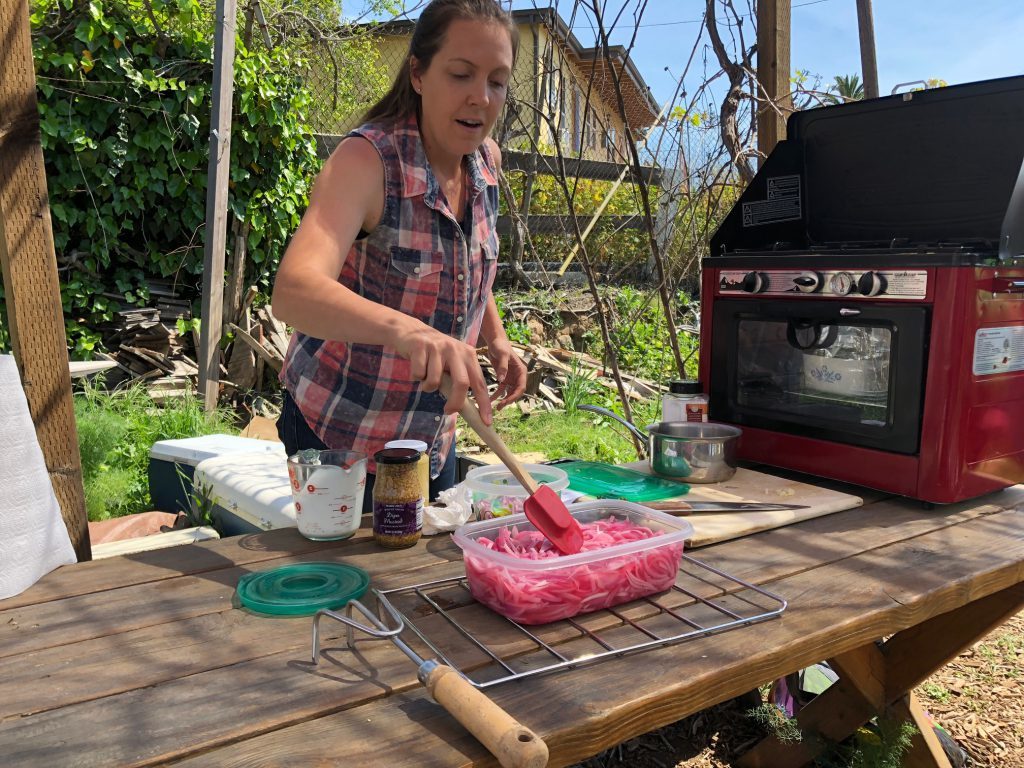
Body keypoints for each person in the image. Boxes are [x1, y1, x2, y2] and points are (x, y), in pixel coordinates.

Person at [271, 0, 527, 506]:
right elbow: (293, 290)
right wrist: (410, 332)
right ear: (418, 73)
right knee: (360, 583)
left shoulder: (486, 162)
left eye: (497, 81)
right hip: (342, 437)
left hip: (432, 435)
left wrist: (495, 338)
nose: (481, 97)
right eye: (460, 74)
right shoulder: (367, 162)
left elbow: (462, 259)